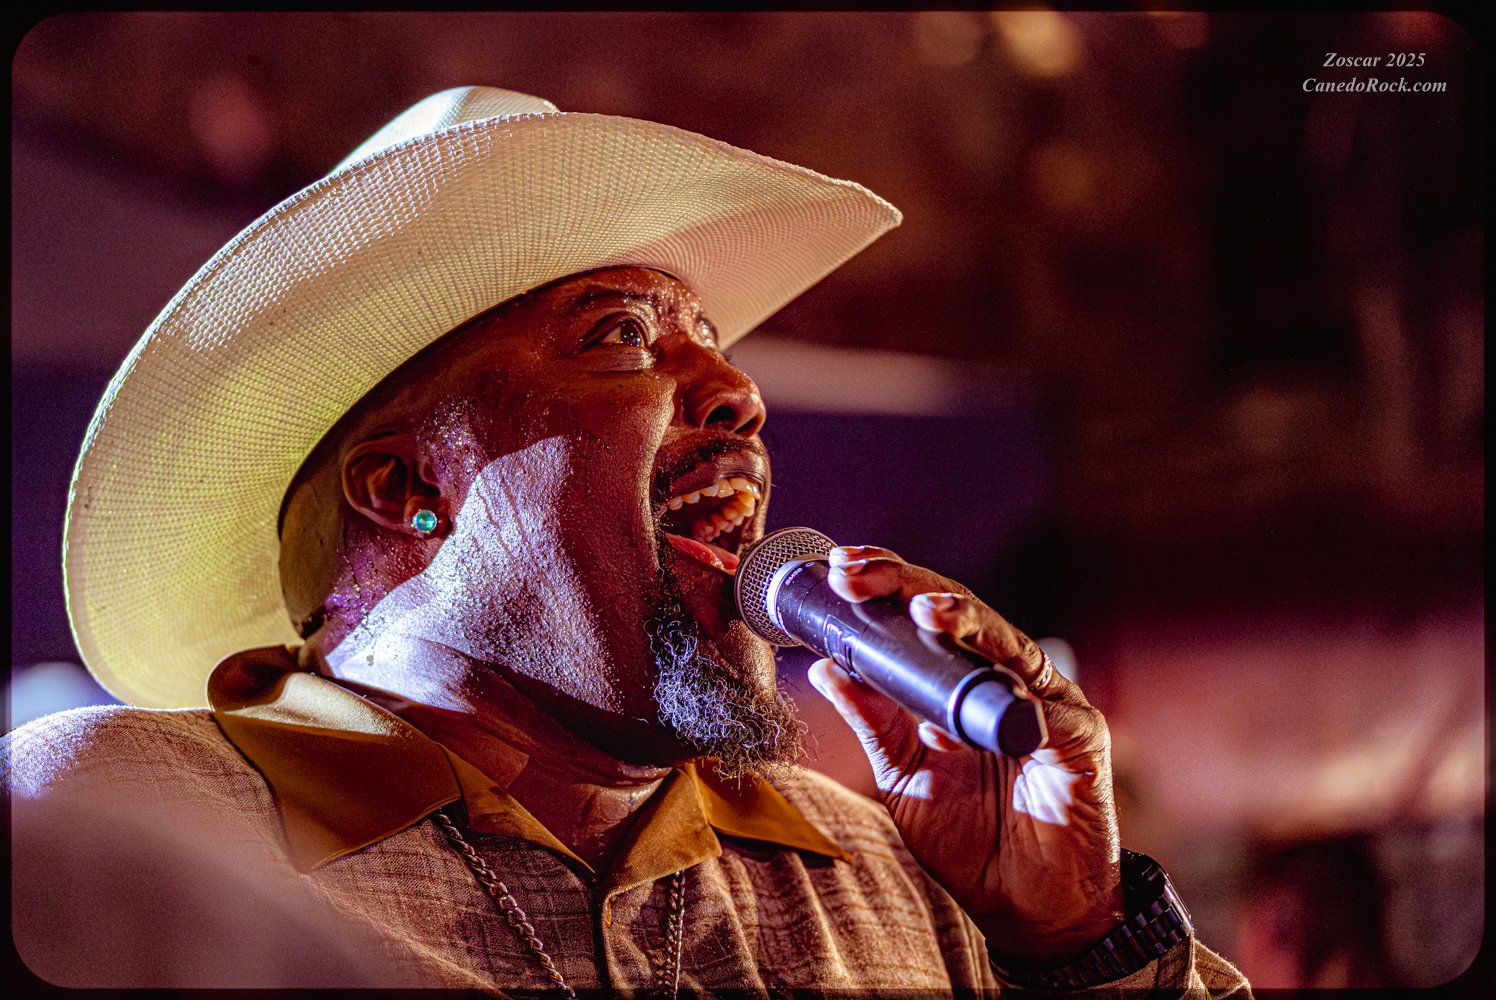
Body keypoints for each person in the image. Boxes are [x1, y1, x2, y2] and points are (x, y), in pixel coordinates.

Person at [5, 86, 1249, 995]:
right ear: (404, 486)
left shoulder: (874, 869)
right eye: (620, 337)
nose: (737, 393)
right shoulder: (118, 811)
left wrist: (1071, 939)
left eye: (710, 340)